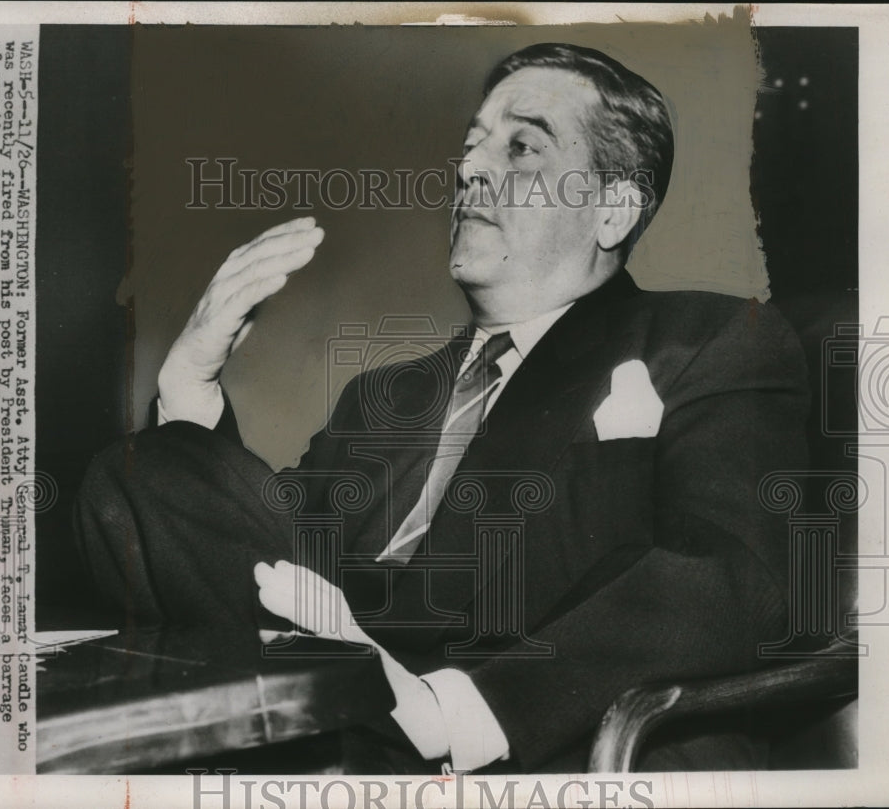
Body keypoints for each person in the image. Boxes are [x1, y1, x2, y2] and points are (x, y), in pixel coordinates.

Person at [75, 43, 809, 773]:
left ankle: (382, 710)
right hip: (336, 711)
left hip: (527, 736)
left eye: (521, 147)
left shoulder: (707, 341)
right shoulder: (382, 399)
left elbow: (734, 574)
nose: (469, 170)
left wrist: (456, 711)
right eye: (470, 147)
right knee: (134, 478)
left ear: (612, 210)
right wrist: (193, 379)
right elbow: (262, 542)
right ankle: (355, 694)